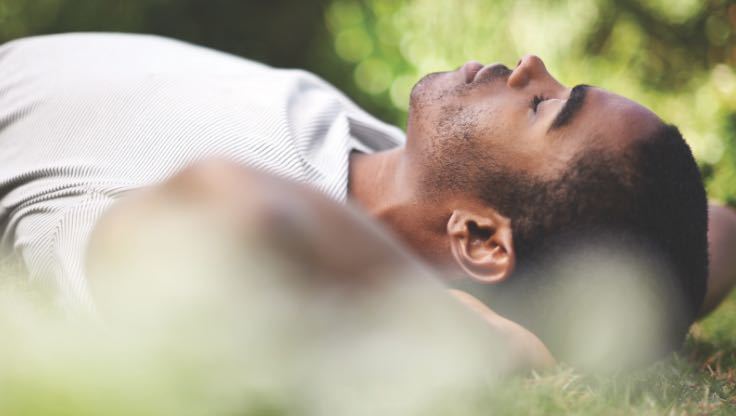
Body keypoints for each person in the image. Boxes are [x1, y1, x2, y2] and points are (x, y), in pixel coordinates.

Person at [0, 33, 725, 369]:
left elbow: (233, 210)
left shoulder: (241, 243)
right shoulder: (391, 168)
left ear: (480, 240)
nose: (530, 66)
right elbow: (712, 236)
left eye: (544, 108)